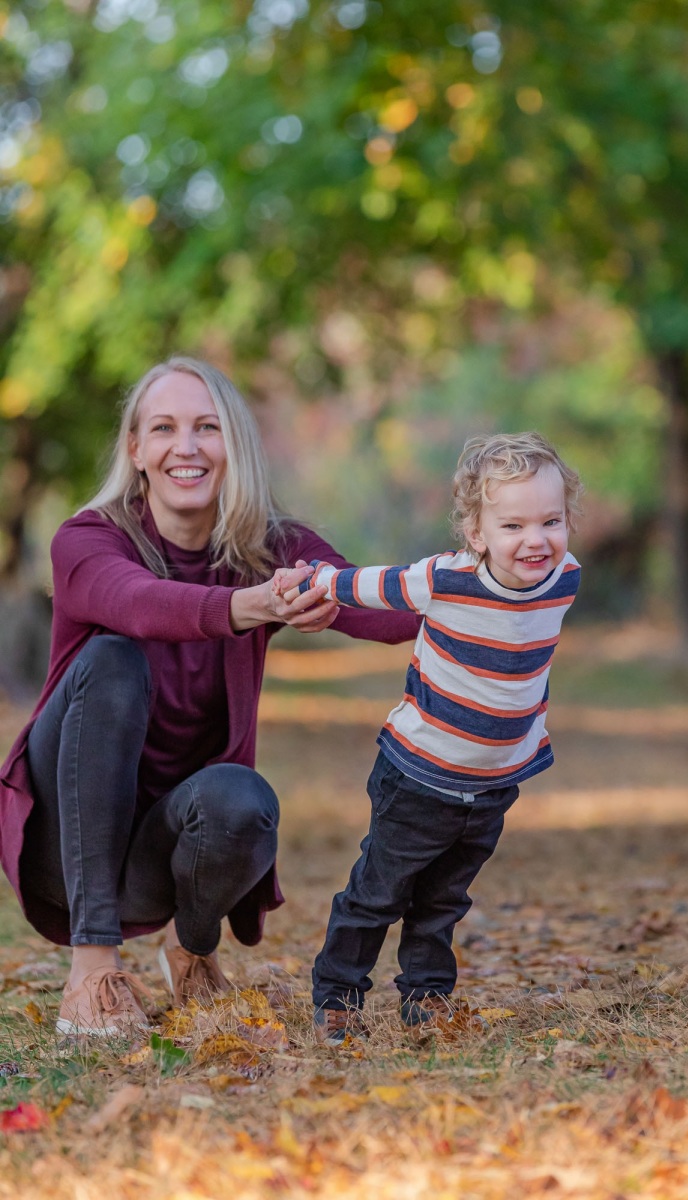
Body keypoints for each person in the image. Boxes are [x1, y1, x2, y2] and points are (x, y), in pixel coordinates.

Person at [0, 356, 419, 1037]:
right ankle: (91, 973)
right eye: (163, 428)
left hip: (168, 851)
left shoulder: (267, 548)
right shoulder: (87, 540)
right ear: (136, 450)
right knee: (110, 659)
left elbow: (386, 609)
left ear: (235, 444)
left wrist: (493, 576)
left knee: (242, 801)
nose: (185, 447)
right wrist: (249, 605)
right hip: (69, 846)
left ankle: (191, 954)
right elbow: (137, 603)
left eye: (207, 427)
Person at [276, 431, 582, 1045]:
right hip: (418, 773)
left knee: (445, 899)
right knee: (379, 892)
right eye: (513, 525)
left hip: (495, 782)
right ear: (477, 534)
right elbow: (367, 585)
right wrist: (313, 580)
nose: (535, 540)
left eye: (551, 520)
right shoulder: (444, 580)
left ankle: (427, 997)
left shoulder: (565, 578)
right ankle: (338, 993)